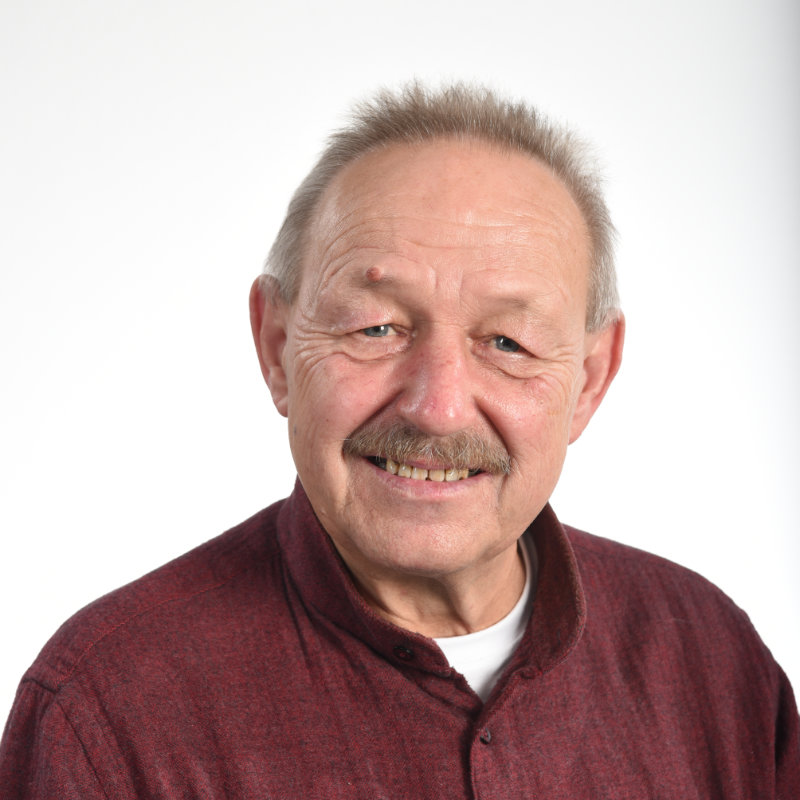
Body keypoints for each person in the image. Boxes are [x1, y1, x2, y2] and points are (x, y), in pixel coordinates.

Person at [1, 83, 797, 799]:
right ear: (277, 347)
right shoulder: (105, 713)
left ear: (589, 380)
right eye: (375, 328)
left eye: (508, 342)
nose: (437, 409)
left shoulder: (713, 661)